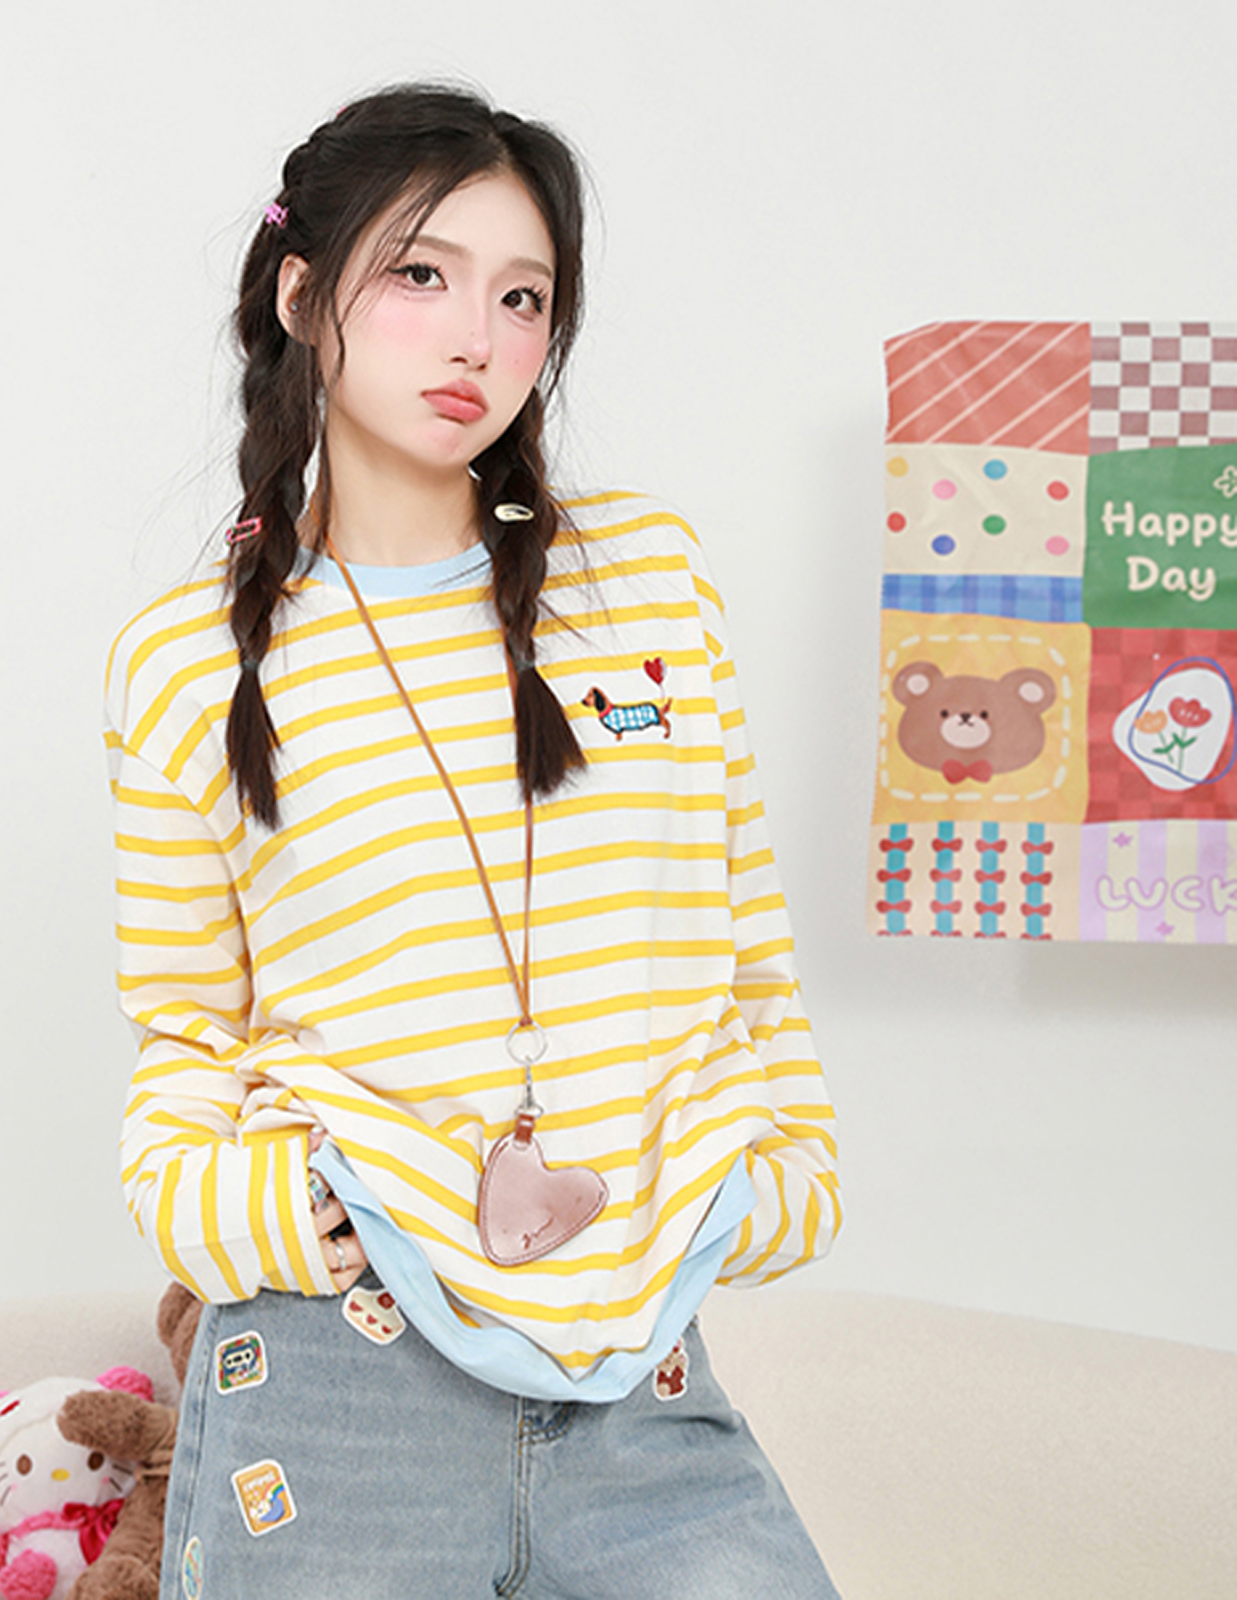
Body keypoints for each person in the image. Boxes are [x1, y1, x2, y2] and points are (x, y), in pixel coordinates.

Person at [103, 84, 841, 1600]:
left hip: (637, 1361)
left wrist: (781, 1168)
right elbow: (184, 1024)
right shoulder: (187, 661)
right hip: (339, 1371)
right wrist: (256, 1212)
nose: (477, 340)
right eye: (422, 275)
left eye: (523, 298)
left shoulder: (642, 582)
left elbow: (739, 927)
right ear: (301, 295)